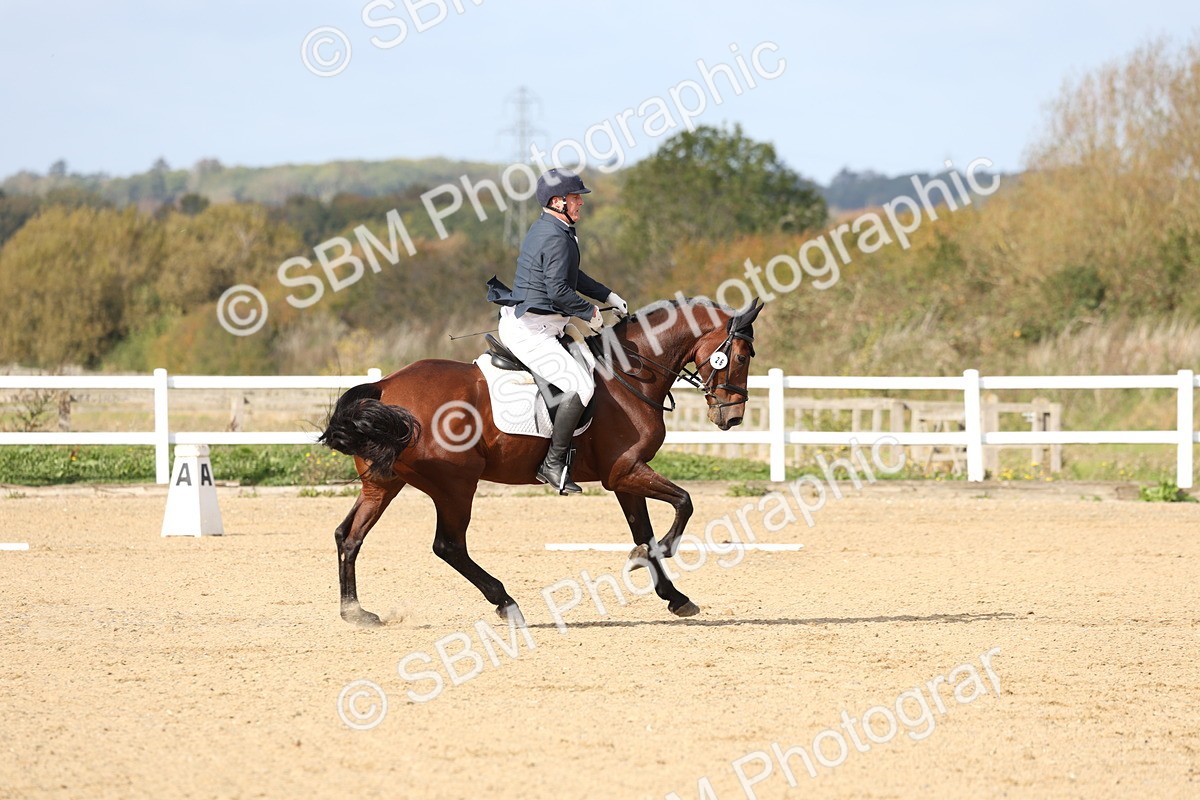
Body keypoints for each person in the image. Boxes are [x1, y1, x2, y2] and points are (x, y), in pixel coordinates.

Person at [489, 168, 628, 494]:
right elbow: (558, 292)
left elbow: (571, 276)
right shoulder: (554, 236)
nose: (581, 203)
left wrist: (607, 295)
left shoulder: (555, 228)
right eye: (576, 197)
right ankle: (553, 463)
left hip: (546, 325)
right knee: (581, 387)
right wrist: (590, 312)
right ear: (557, 201)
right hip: (532, 332)